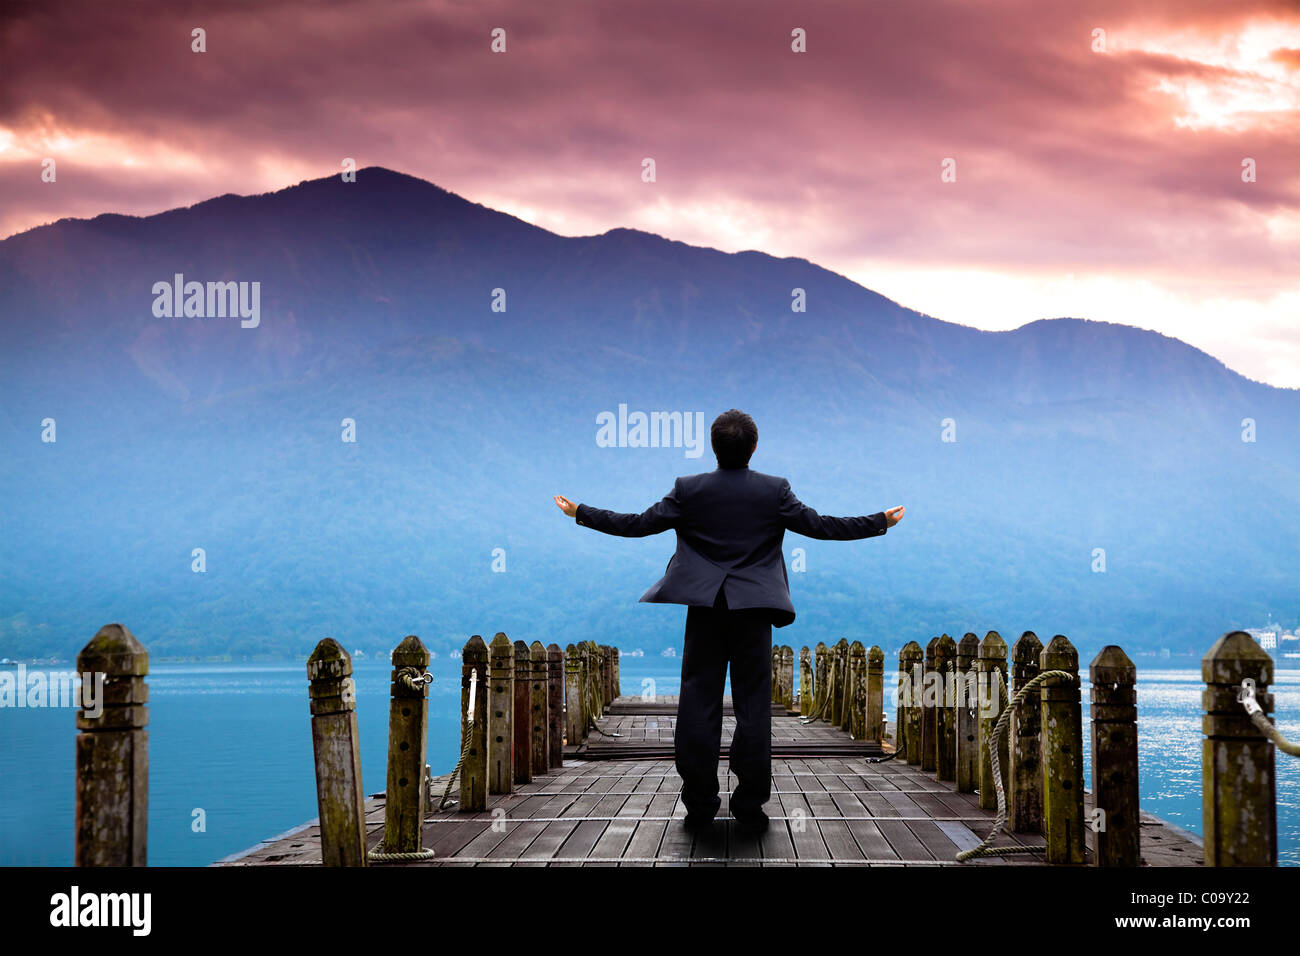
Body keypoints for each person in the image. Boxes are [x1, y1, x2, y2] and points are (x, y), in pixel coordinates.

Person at [553, 408, 903, 835]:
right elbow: (821, 526)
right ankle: (750, 806)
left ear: (713, 447)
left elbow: (638, 525)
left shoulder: (689, 490)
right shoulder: (774, 491)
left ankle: (700, 803)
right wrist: (879, 522)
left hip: (705, 610)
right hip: (754, 612)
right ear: (753, 447)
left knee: (697, 706)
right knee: (754, 709)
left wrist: (580, 512)